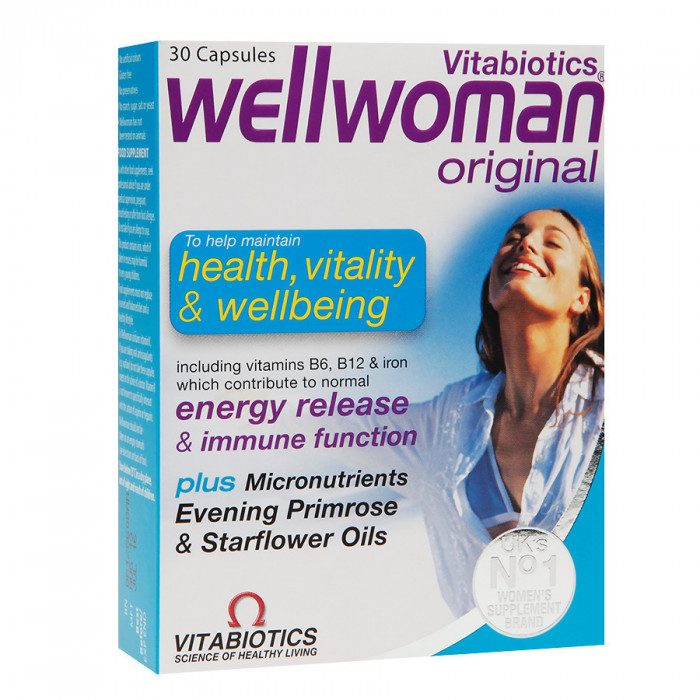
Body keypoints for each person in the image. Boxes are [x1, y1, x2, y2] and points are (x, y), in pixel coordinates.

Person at [359, 208, 604, 617]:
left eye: (552, 241)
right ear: (492, 289)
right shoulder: (446, 420)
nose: (526, 244)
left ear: (581, 298)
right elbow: (322, 428)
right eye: (514, 237)